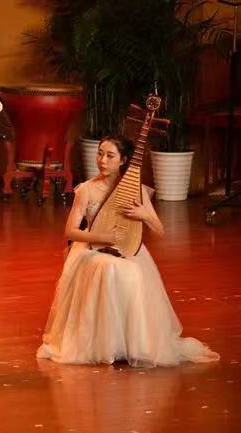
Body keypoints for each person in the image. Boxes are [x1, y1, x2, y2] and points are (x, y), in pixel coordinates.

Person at [36, 135, 219, 367]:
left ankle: (133, 344)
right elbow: (70, 232)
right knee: (110, 269)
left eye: (110, 156)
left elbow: (159, 230)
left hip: (128, 248)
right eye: (100, 153)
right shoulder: (86, 190)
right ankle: (105, 344)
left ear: (123, 160)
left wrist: (144, 215)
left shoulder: (135, 190)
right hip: (92, 250)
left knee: (131, 272)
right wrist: (103, 238)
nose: (102, 160)